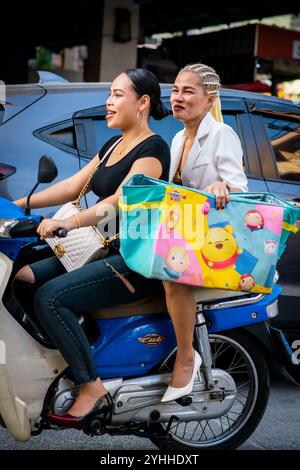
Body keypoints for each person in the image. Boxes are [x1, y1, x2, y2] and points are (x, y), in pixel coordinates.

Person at [14, 68, 170, 427]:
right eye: (110, 94)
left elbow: (118, 202)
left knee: (50, 297)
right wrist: (17, 205)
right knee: (20, 277)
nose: (109, 102)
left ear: (142, 102)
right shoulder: (114, 144)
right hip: (96, 248)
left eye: (117, 94)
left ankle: (90, 385)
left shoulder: (153, 150)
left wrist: (67, 223)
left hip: (130, 259)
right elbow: (72, 186)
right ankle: (64, 359)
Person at [161, 63, 248, 403]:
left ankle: (187, 355)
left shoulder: (222, 134)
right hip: (182, 234)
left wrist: (221, 184)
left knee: (173, 274)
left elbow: (240, 189)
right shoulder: (177, 137)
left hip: (212, 241)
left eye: (187, 91)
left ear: (209, 100)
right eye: (175, 91)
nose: (177, 98)